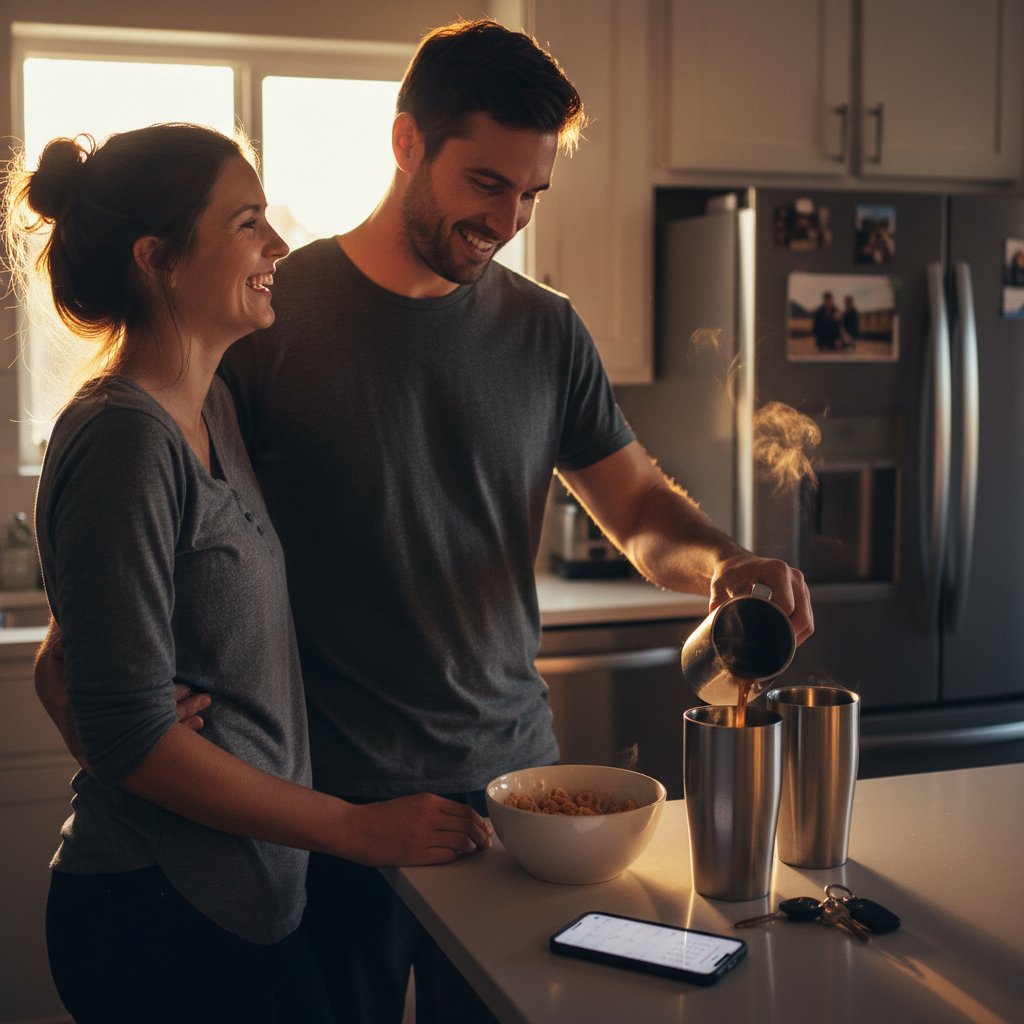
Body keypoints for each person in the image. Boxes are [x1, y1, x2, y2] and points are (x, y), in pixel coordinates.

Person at [37, 19, 813, 1024]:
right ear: (407, 143)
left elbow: (633, 508)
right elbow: (157, 512)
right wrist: (77, 676)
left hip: (513, 802)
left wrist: (726, 560)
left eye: (531, 193)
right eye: (486, 184)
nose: (508, 219)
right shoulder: (269, 315)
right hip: (328, 808)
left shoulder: (544, 329)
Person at [7, 124, 490, 1024]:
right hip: (157, 910)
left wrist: (72, 669)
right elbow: (129, 735)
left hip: (241, 895)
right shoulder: (125, 438)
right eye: (247, 223)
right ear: (159, 260)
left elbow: (100, 634)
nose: (277, 245)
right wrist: (355, 827)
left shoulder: (211, 409)